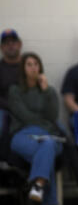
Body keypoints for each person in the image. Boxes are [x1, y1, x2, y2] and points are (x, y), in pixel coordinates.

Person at [8, 53, 63, 205]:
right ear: (23, 68)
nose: (33, 68)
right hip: (23, 135)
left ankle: (37, 187)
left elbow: (52, 115)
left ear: (41, 67)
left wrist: (46, 91)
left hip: (48, 137)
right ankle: (42, 192)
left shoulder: (49, 91)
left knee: (48, 146)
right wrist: (44, 123)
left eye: (36, 64)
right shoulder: (15, 91)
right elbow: (25, 117)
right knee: (48, 153)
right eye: (29, 65)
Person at [0, 28, 22, 160]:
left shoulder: (29, 65)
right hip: (4, 109)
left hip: (28, 110)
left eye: (13, 42)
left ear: (19, 44)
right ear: (2, 47)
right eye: (6, 43)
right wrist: (11, 106)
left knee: (58, 129)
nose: (10, 45)